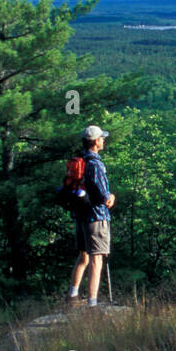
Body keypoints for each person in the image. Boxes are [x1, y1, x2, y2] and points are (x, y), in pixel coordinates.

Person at [67, 125, 115, 307]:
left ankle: (72, 297)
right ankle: (92, 305)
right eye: (102, 138)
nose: (103, 140)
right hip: (96, 217)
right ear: (96, 142)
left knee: (84, 256)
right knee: (97, 259)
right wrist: (112, 197)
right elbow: (104, 196)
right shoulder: (95, 164)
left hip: (81, 215)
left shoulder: (81, 161)